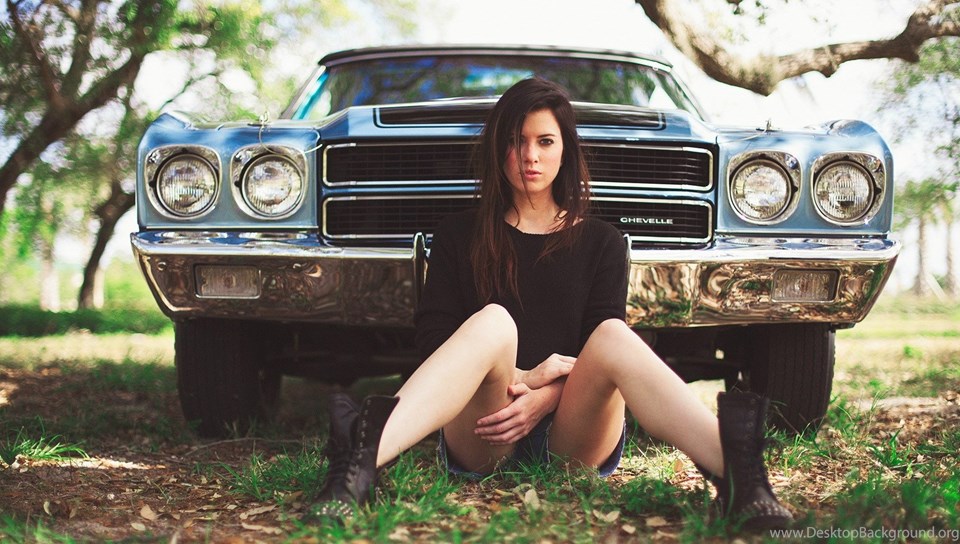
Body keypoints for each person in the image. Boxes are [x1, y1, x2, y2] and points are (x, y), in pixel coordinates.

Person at [310, 77, 793, 530]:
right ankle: (356, 468)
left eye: (545, 141)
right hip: (486, 427)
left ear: (565, 150)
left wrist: (546, 396)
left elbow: (600, 358)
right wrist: (524, 378)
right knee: (493, 321)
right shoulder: (458, 234)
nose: (530, 156)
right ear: (498, 149)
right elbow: (435, 344)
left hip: (575, 432)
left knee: (613, 334)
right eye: (515, 141)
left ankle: (741, 477)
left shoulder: (602, 242)